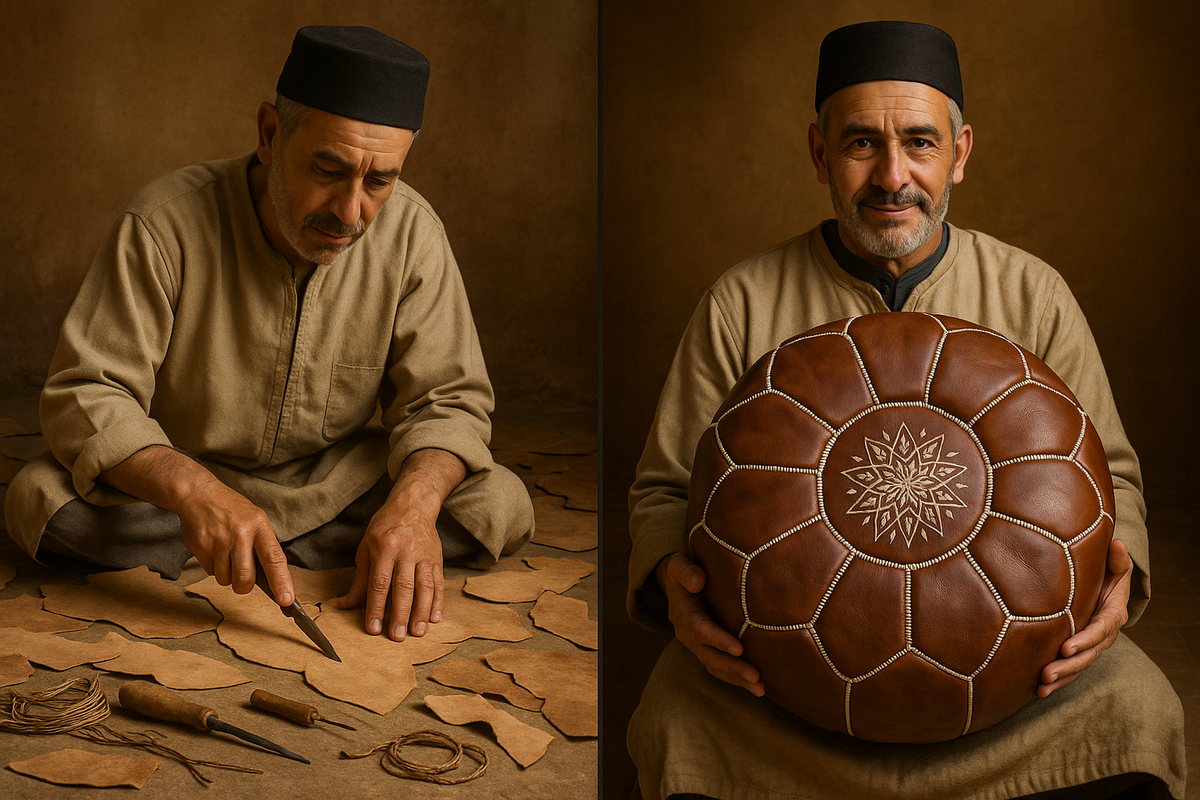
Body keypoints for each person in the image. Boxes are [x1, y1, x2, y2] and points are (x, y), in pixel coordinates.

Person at [626, 21, 1185, 800]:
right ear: (820, 153)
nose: (893, 176)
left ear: (959, 152)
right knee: (671, 716)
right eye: (861, 144)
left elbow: (1112, 477)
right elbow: (662, 490)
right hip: (782, 691)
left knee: (1138, 706)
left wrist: (1118, 581)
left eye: (920, 143)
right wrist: (674, 588)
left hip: (1017, 688)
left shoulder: (1033, 294)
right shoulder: (742, 300)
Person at [4, 25, 534, 643]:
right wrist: (196, 492)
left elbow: (451, 401)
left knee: (498, 503)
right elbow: (86, 394)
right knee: (41, 500)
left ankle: (293, 548)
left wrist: (412, 511)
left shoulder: (415, 237)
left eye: (379, 182)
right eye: (329, 169)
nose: (350, 211)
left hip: (338, 487)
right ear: (270, 135)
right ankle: (299, 549)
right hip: (183, 483)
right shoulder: (162, 223)